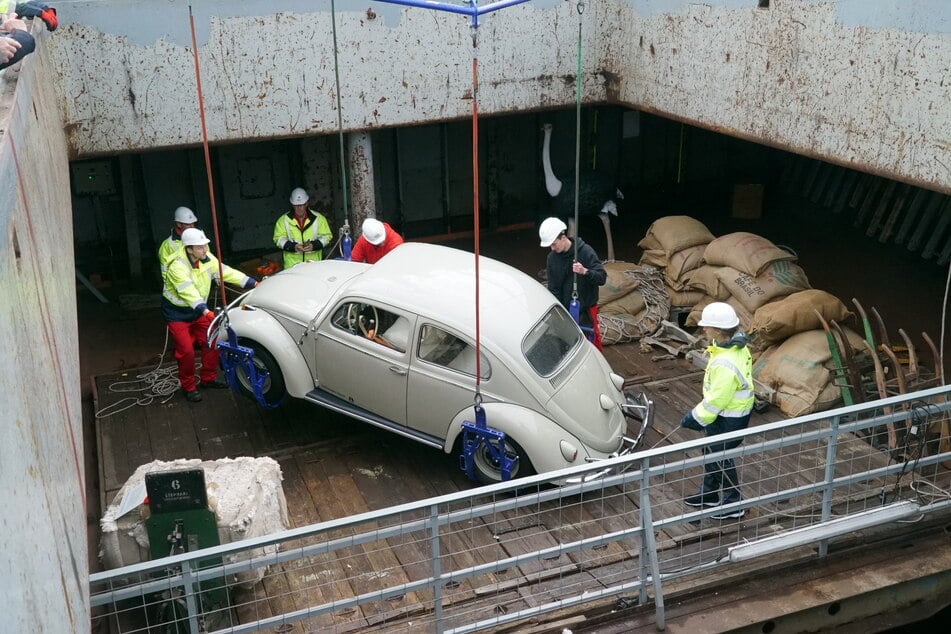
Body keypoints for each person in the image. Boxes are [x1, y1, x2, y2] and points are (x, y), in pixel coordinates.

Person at [162, 228, 258, 402]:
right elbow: (188, 292)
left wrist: (252, 283)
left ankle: (208, 378)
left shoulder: (207, 258)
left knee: (213, 342)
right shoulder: (177, 266)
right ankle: (189, 386)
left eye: (205, 246)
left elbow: (225, 272)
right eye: (200, 248)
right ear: (189, 249)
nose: (205, 250)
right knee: (187, 352)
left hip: (199, 311)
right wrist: (205, 311)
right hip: (178, 313)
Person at [679, 302, 754, 519]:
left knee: (720, 456)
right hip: (732, 413)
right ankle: (710, 495)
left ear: (719, 330)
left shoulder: (725, 361)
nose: (704, 329)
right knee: (711, 451)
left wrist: (693, 418)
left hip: (728, 416)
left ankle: (733, 503)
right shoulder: (734, 346)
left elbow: (716, 399)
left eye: (707, 326)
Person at [538, 216, 606, 350]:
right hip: (565, 310)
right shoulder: (551, 259)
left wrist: (585, 271)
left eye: (553, 244)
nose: (552, 248)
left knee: (591, 343)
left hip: (586, 309)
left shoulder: (585, 252)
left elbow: (602, 278)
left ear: (563, 237)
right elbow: (553, 288)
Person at [273, 187, 332, 270]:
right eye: (296, 206)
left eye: (301, 205)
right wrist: (293, 247)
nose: (299, 208)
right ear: (292, 205)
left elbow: (327, 236)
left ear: (306, 203)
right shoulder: (283, 220)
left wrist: (314, 245)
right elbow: (278, 239)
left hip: (314, 265)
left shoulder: (319, 219)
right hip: (291, 267)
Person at [157, 206, 198, 276]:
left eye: (193, 223)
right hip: (182, 283)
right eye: (188, 224)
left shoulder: (200, 235)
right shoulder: (167, 245)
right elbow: (165, 271)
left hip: (203, 283)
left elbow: (209, 259)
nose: (192, 226)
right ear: (179, 224)